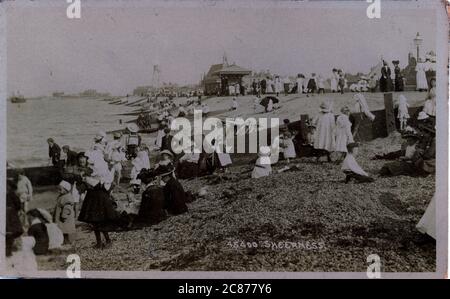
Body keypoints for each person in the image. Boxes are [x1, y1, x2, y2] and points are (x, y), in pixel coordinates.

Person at [78, 151, 117, 249]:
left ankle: (107, 240)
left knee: (100, 220)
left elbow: (103, 184)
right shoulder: (92, 171)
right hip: (93, 197)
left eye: (92, 163)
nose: (90, 164)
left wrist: (87, 180)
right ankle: (100, 242)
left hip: (99, 198)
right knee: (95, 221)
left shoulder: (99, 171)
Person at [54, 180, 76, 245]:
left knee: (64, 229)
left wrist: (64, 215)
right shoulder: (62, 196)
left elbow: (67, 208)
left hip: (64, 218)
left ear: (66, 190)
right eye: (58, 189)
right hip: (61, 216)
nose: (59, 191)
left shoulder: (67, 198)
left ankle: (66, 241)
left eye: (60, 189)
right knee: (63, 230)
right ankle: (65, 240)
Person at [6, 179, 23, 257]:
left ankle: (8, 250)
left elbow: (18, 205)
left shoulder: (11, 194)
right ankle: (9, 250)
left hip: (10, 216)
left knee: (9, 232)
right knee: (11, 232)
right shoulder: (12, 194)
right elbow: (18, 205)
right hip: (11, 216)